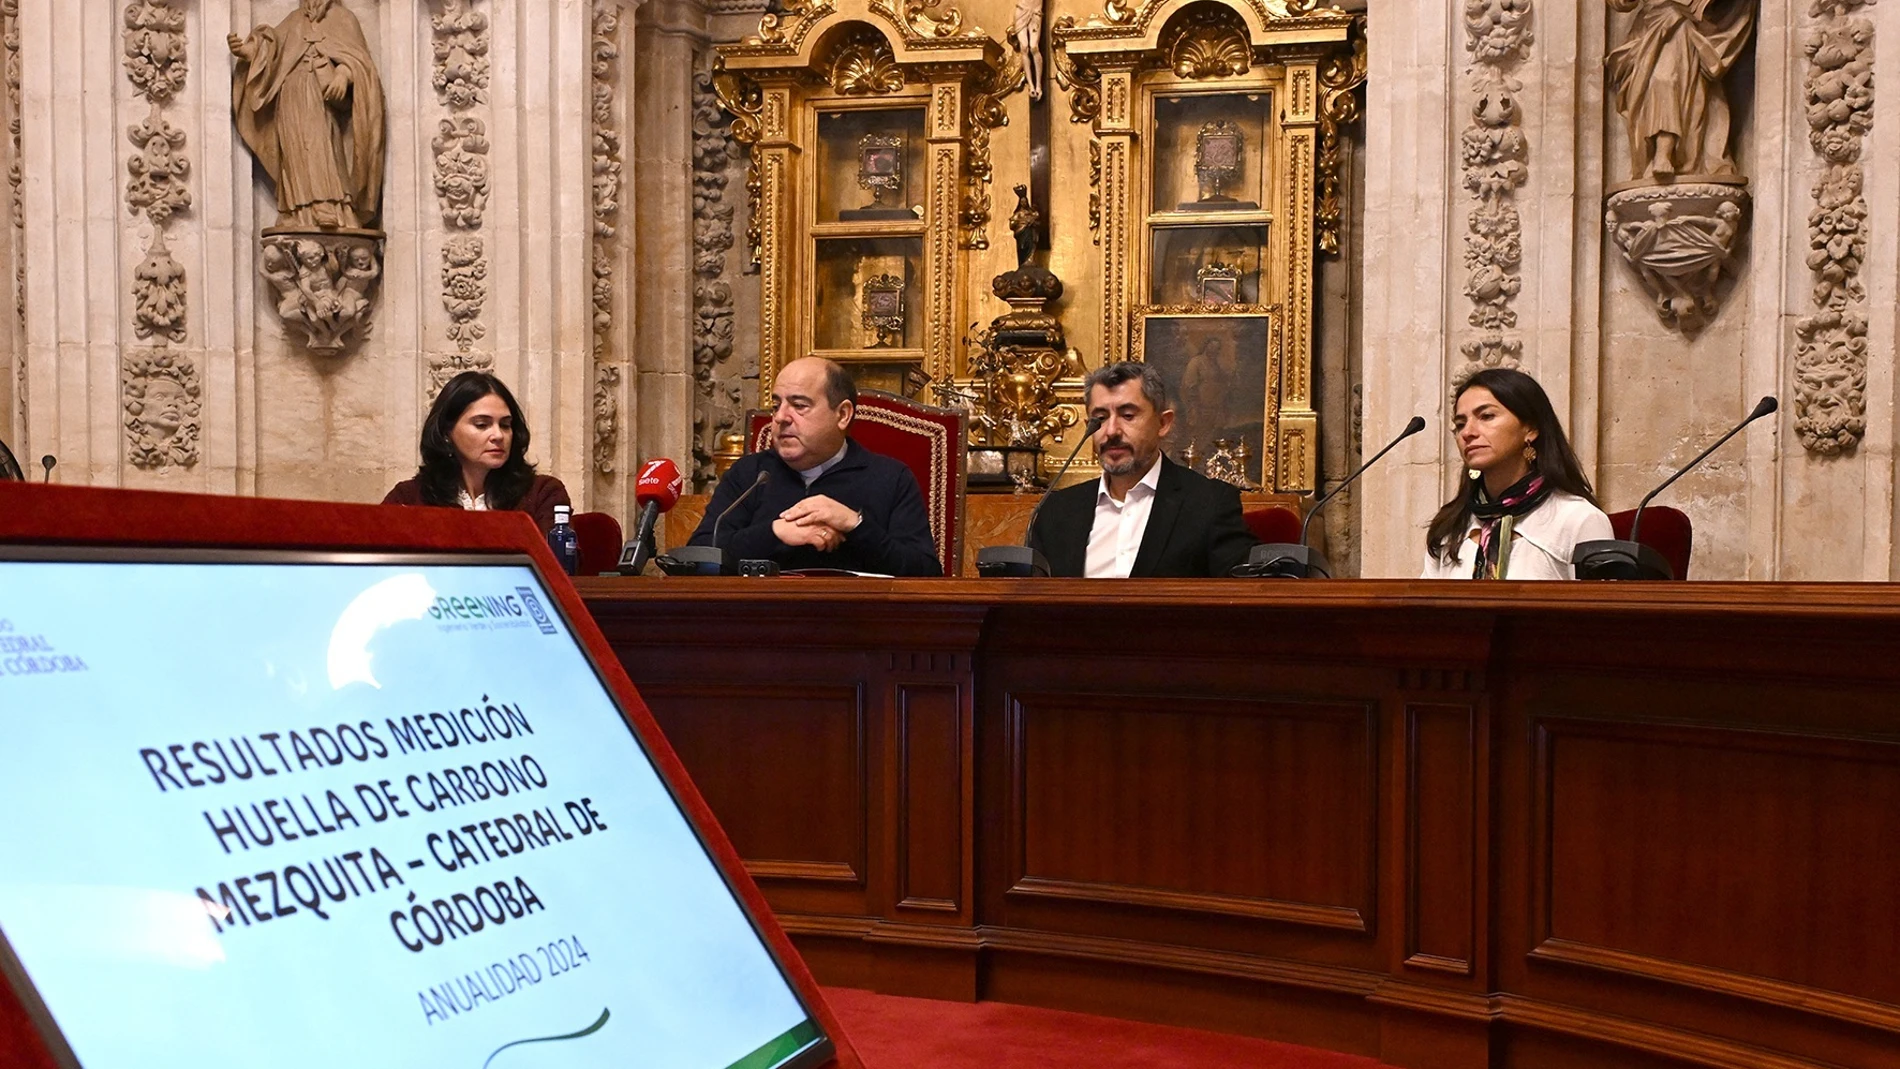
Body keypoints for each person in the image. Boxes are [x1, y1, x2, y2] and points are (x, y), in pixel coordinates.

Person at [689, 356, 940, 576]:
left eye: (799, 406)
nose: (780, 417)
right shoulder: (750, 475)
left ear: (842, 415)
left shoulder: (891, 478)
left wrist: (855, 525)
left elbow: (925, 573)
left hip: (858, 615)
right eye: (776, 406)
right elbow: (697, 558)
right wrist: (775, 533)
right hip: (761, 614)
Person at [1027, 361, 1257, 578]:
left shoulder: (1209, 503)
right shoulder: (1056, 511)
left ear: (1163, 423)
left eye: (1128, 416)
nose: (1111, 431)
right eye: (1100, 418)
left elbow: (1244, 586)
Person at [1422, 368, 1611, 580]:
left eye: (1486, 416)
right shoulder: (1451, 526)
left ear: (1531, 429)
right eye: (1460, 424)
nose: (1467, 432)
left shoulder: (1579, 519)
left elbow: (1602, 601)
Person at [229, 0, 387, 230]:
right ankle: (295, 211)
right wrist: (246, 51)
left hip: (319, 96)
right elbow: (271, 48)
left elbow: (360, 62)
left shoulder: (343, 18)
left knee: (320, 145)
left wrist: (343, 75)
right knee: (294, 151)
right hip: (290, 96)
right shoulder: (294, 20)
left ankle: (331, 206)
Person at [382, 371, 571, 533]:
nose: (498, 435)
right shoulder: (408, 497)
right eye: (482, 424)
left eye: (505, 425)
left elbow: (557, 561)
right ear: (446, 432)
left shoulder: (543, 492)